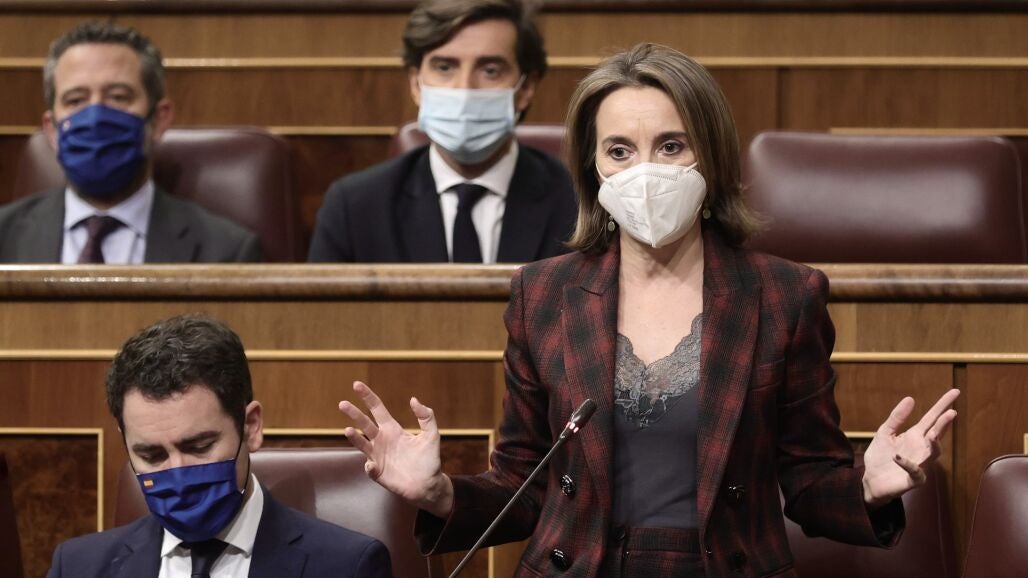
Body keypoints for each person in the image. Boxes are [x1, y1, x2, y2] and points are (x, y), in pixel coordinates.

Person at [337, 44, 960, 577]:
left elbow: (809, 479)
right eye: (619, 150)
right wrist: (440, 493)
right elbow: (525, 484)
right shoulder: (543, 293)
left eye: (670, 146)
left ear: (710, 157)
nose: (645, 171)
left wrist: (868, 488)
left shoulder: (784, 295)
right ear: (594, 168)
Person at [47, 315, 391, 577]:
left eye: (199, 446)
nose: (178, 474)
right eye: (152, 455)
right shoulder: (77, 567)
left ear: (250, 427)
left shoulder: (346, 566)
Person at [308, 0, 577, 264]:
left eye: (490, 70)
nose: (464, 89)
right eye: (444, 67)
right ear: (416, 84)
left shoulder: (579, 204)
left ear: (525, 88)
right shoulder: (354, 206)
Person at [0, 21, 262, 264]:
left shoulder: (226, 250)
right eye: (76, 100)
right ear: (51, 130)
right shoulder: (5, 236)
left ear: (159, 118)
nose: (95, 117)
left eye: (118, 97)